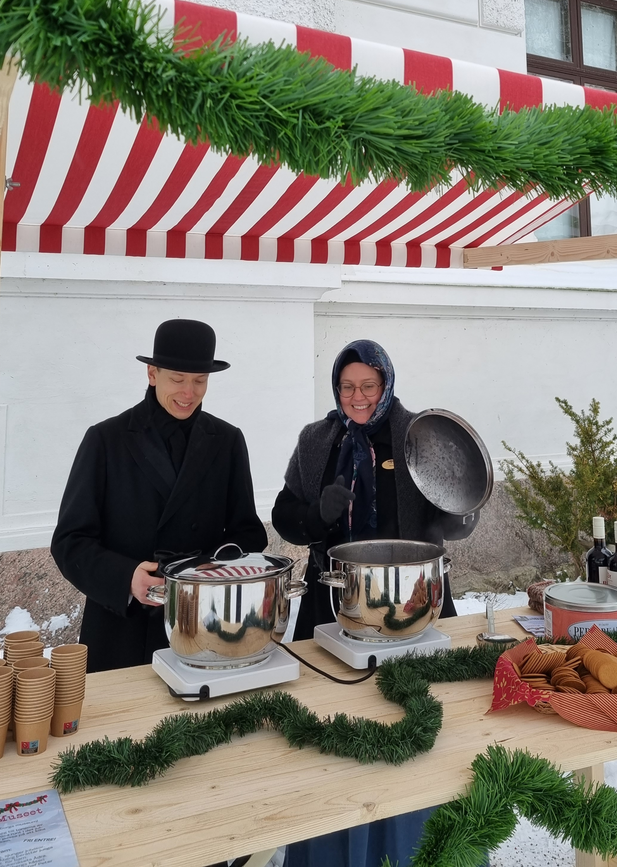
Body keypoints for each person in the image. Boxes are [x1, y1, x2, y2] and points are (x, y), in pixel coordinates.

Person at [271, 339, 464, 867]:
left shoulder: (417, 433)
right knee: (333, 728)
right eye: (347, 386)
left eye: (368, 385)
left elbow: (452, 504)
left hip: (412, 603)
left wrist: (457, 515)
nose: (357, 396)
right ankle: (334, 850)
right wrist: (316, 513)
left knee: (417, 726)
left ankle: (418, 850)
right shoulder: (317, 440)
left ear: (386, 384)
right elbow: (285, 515)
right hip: (334, 601)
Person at [51, 318, 267, 673]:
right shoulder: (105, 440)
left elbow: (248, 534)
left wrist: (205, 574)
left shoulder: (228, 441)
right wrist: (126, 579)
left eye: (200, 381)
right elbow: (69, 542)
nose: (189, 393)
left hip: (202, 629)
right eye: (178, 379)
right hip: (122, 631)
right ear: (152, 374)